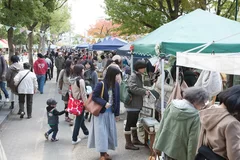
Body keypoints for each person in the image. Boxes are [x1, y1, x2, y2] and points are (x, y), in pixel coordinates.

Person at [153, 87, 209, 160]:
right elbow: (193, 142)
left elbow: (162, 125)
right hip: (180, 153)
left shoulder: (172, 105)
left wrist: (155, 145)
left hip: (165, 146)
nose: (201, 107)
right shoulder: (195, 116)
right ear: (197, 101)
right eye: (202, 104)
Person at [196, 85, 240, 160]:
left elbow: (200, 142)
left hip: (203, 156)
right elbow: (235, 156)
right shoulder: (232, 123)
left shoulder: (209, 112)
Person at [88, 65, 121, 160]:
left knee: (108, 133)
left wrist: (117, 113)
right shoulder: (101, 84)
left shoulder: (116, 84)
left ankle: (105, 152)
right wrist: (104, 103)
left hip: (110, 113)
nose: (118, 77)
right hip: (101, 113)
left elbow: (117, 99)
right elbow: (94, 96)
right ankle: (102, 154)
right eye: (116, 75)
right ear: (111, 75)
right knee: (101, 134)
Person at [124, 60, 150, 150]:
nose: (144, 69)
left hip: (136, 103)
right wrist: (144, 91)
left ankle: (135, 139)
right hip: (132, 104)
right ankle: (128, 143)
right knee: (129, 123)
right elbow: (133, 88)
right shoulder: (134, 76)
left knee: (134, 122)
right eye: (143, 68)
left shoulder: (138, 75)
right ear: (139, 68)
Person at [69, 64, 89, 145]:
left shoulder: (72, 79)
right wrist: (86, 104)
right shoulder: (80, 81)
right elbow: (83, 94)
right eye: (83, 69)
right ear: (80, 71)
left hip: (75, 101)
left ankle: (86, 132)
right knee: (78, 120)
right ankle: (74, 138)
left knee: (81, 119)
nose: (84, 71)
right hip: (81, 102)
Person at [58, 59, 73, 124]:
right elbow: (59, 80)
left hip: (72, 90)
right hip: (65, 90)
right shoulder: (63, 71)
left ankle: (71, 117)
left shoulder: (74, 71)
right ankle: (66, 116)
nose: (73, 65)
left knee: (72, 104)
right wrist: (59, 89)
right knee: (66, 104)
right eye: (72, 64)